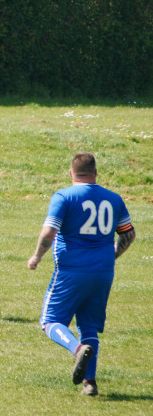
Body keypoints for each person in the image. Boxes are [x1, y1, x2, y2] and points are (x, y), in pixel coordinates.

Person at [27, 152, 135, 396]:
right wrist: (110, 257)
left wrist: (36, 256)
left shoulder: (64, 196)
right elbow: (128, 235)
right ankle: (90, 383)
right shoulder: (114, 199)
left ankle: (77, 350)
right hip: (104, 272)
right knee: (89, 328)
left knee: (50, 321)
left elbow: (48, 234)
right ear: (96, 173)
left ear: (70, 173)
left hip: (72, 270)